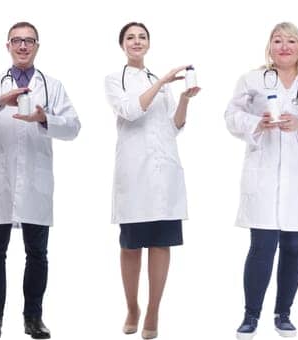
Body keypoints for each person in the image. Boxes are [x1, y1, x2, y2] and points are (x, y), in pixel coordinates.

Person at [0, 21, 80, 340]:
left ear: (37, 46)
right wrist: (0, 101)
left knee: (37, 254)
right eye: (17, 41)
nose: (23, 46)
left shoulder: (52, 86)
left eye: (29, 41)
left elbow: (74, 127)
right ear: (7, 46)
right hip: (0, 182)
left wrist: (44, 119)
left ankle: (33, 319)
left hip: (36, 183)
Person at [224, 22, 298, 340]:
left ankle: (283, 314)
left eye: (291, 40)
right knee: (261, 247)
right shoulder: (252, 79)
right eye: (277, 40)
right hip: (263, 176)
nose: (284, 46)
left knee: (294, 246)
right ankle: (251, 315)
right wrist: (256, 122)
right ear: (269, 47)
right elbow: (231, 116)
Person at [100, 22, 199, 340]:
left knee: (161, 244)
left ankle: (153, 309)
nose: (137, 41)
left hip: (165, 175)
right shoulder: (115, 80)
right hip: (134, 175)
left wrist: (183, 98)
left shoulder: (162, 82)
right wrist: (163, 83)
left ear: (149, 43)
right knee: (131, 247)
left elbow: (174, 128)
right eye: (130, 37)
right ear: (122, 45)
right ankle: (132, 307)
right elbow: (130, 111)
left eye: (142, 37)